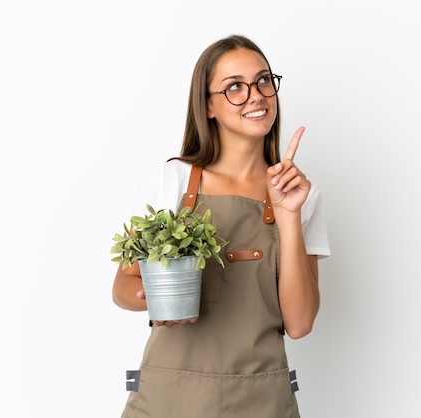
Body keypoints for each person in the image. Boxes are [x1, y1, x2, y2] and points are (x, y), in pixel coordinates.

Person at [112, 34, 330, 418]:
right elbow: (123, 286)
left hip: (262, 400)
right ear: (208, 105)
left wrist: (289, 215)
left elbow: (299, 324)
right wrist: (158, 301)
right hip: (169, 398)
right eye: (234, 87)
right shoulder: (173, 180)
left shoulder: (301, 194)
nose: (256, 95)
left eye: (264, 80)